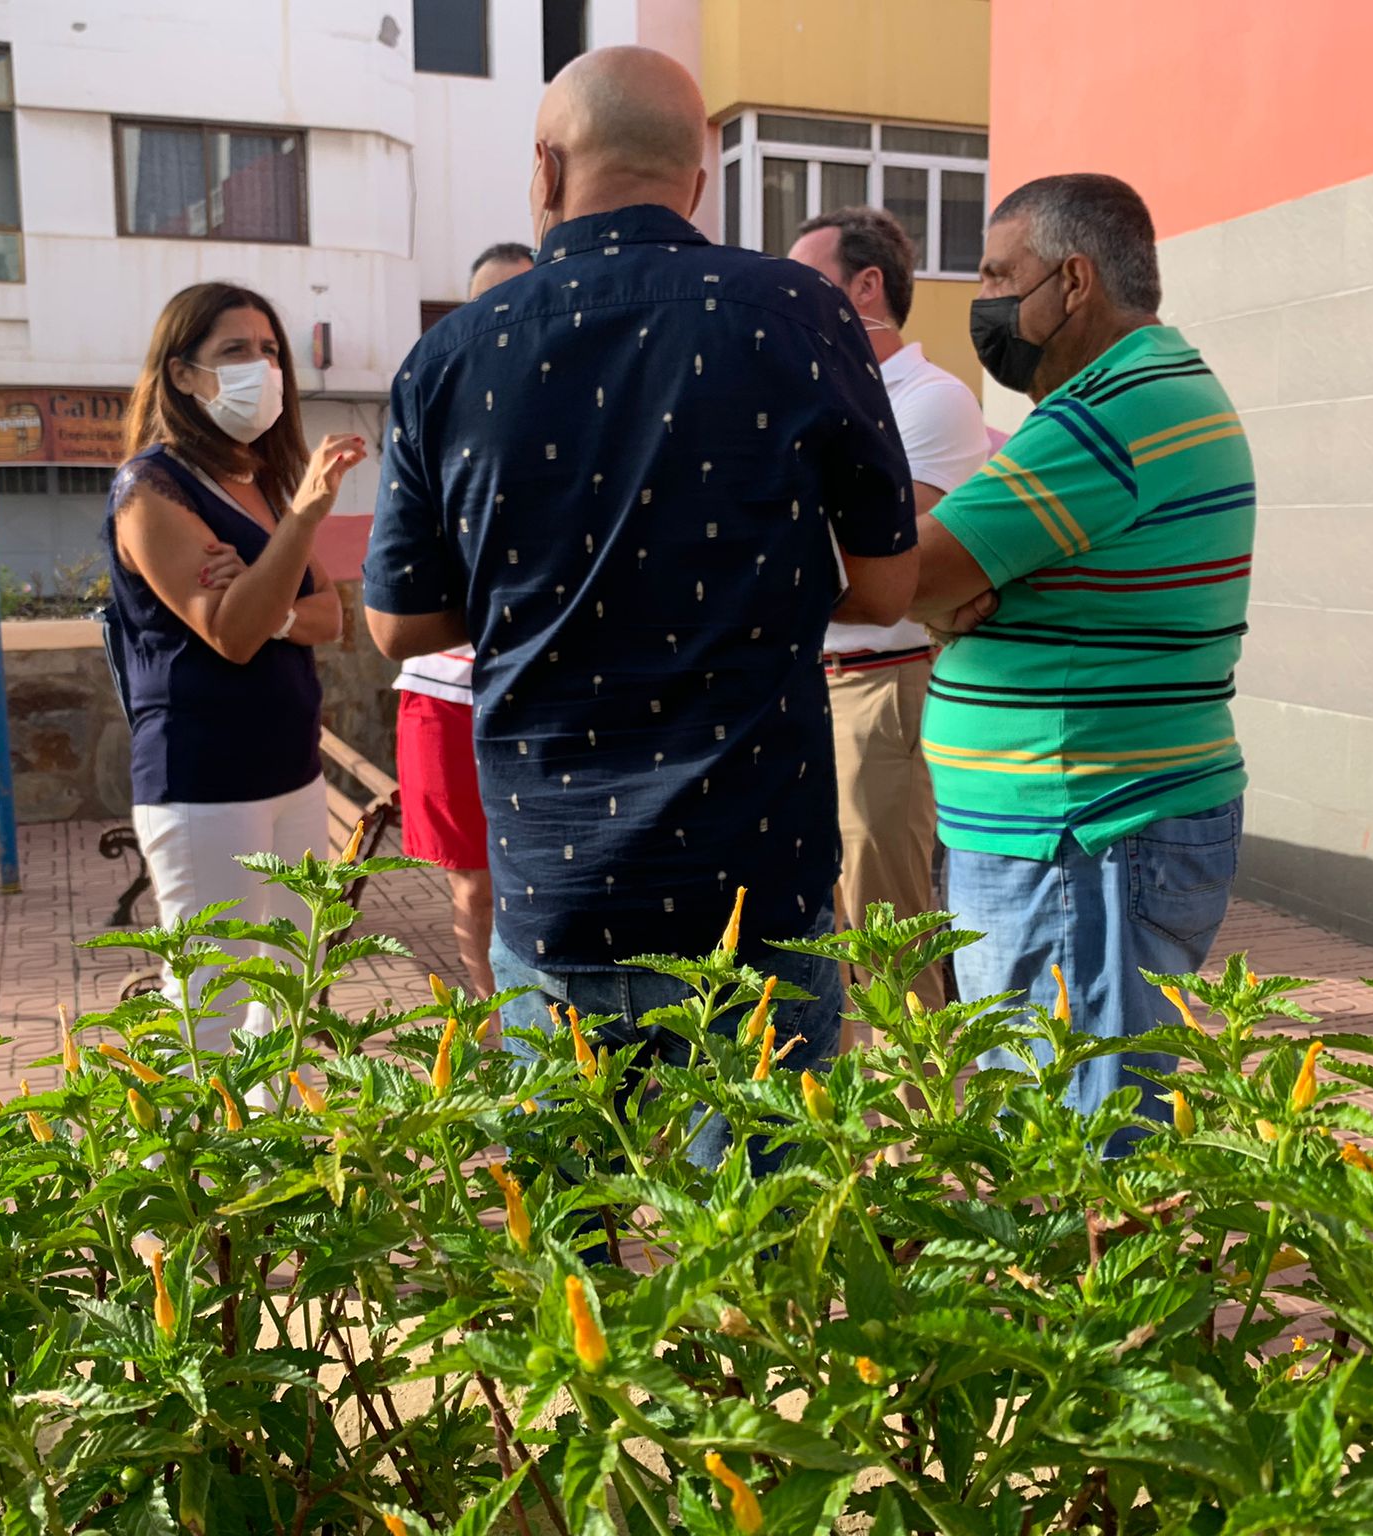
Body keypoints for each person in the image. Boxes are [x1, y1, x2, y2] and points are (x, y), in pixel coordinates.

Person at [361, 46, 918, 1165]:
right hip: (753, 875)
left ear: (544, 167)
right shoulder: (800, 315)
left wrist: (542, 589)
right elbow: (884, 586)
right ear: (698, 180)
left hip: (555, 882)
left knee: (568, 1258)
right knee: (768, 1253)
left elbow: (397, 624)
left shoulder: (453, 354)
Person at [911, 173, 1255, 1137]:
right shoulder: (1137, 393)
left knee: (1080, 1145)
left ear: (1072, 280)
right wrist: (947, 599)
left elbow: (912, 571)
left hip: (1085, 836)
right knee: (1080, 1123)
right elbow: (949, 584)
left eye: (995, 275)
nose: (983, 302)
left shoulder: (1107, 417)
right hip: (1086, 826)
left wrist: (938, 592)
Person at [103, 281, 366, 1049]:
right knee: (210, 1014)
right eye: (235, 351)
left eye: (270, 350)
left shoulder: (253, 486)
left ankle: (272, 1164)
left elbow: (328, 617)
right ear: (181, 374)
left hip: (293, 774)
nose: (263, 366)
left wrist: (262, 593)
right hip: (204, 784)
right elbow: (234, 639)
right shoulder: (150, 490)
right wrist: (306, 515)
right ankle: (188, 1169)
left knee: (287, 998)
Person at [788, 206, 989, 1030]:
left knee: (887, 937)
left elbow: (890, 568)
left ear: (867, 286)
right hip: (807, 685)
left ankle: (922, 1124)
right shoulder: (822, 400)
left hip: (881, 688)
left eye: (809, 283)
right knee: (822, 937)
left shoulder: (930, 402)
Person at [391, 243, 535, 1000]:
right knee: (475, 890)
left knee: (542, 875)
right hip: (444, 697)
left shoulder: (581, 417)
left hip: (542, 688)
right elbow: (398, 588)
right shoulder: (439, 413)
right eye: (488, 304)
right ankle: (494, 1026)